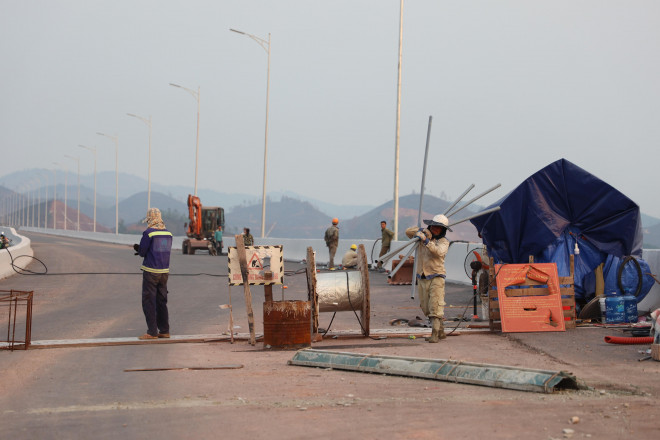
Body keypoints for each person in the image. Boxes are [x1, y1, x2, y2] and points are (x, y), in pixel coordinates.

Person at [405, 214, 451, 343]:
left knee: (435, 306)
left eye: (439, 228)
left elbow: (438, 252)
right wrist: (421, 231)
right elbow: (408, 232)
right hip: (422, 276)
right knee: (426, 307)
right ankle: (441, 332)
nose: (436, 230)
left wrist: (427, 241)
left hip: (436, 276)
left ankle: (435, 334)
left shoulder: (443, 242)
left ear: (443, 230)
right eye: (434, 227)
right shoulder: (422, 236)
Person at [134, 208, 173, 340]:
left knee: (149, 301)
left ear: (150, 219)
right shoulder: (168, 234)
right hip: (164, 272)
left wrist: (138, 249)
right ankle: (164, 330)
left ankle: (152, 332)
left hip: (151, 272)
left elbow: (142, 252)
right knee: (161, 301)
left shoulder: (149, 233)